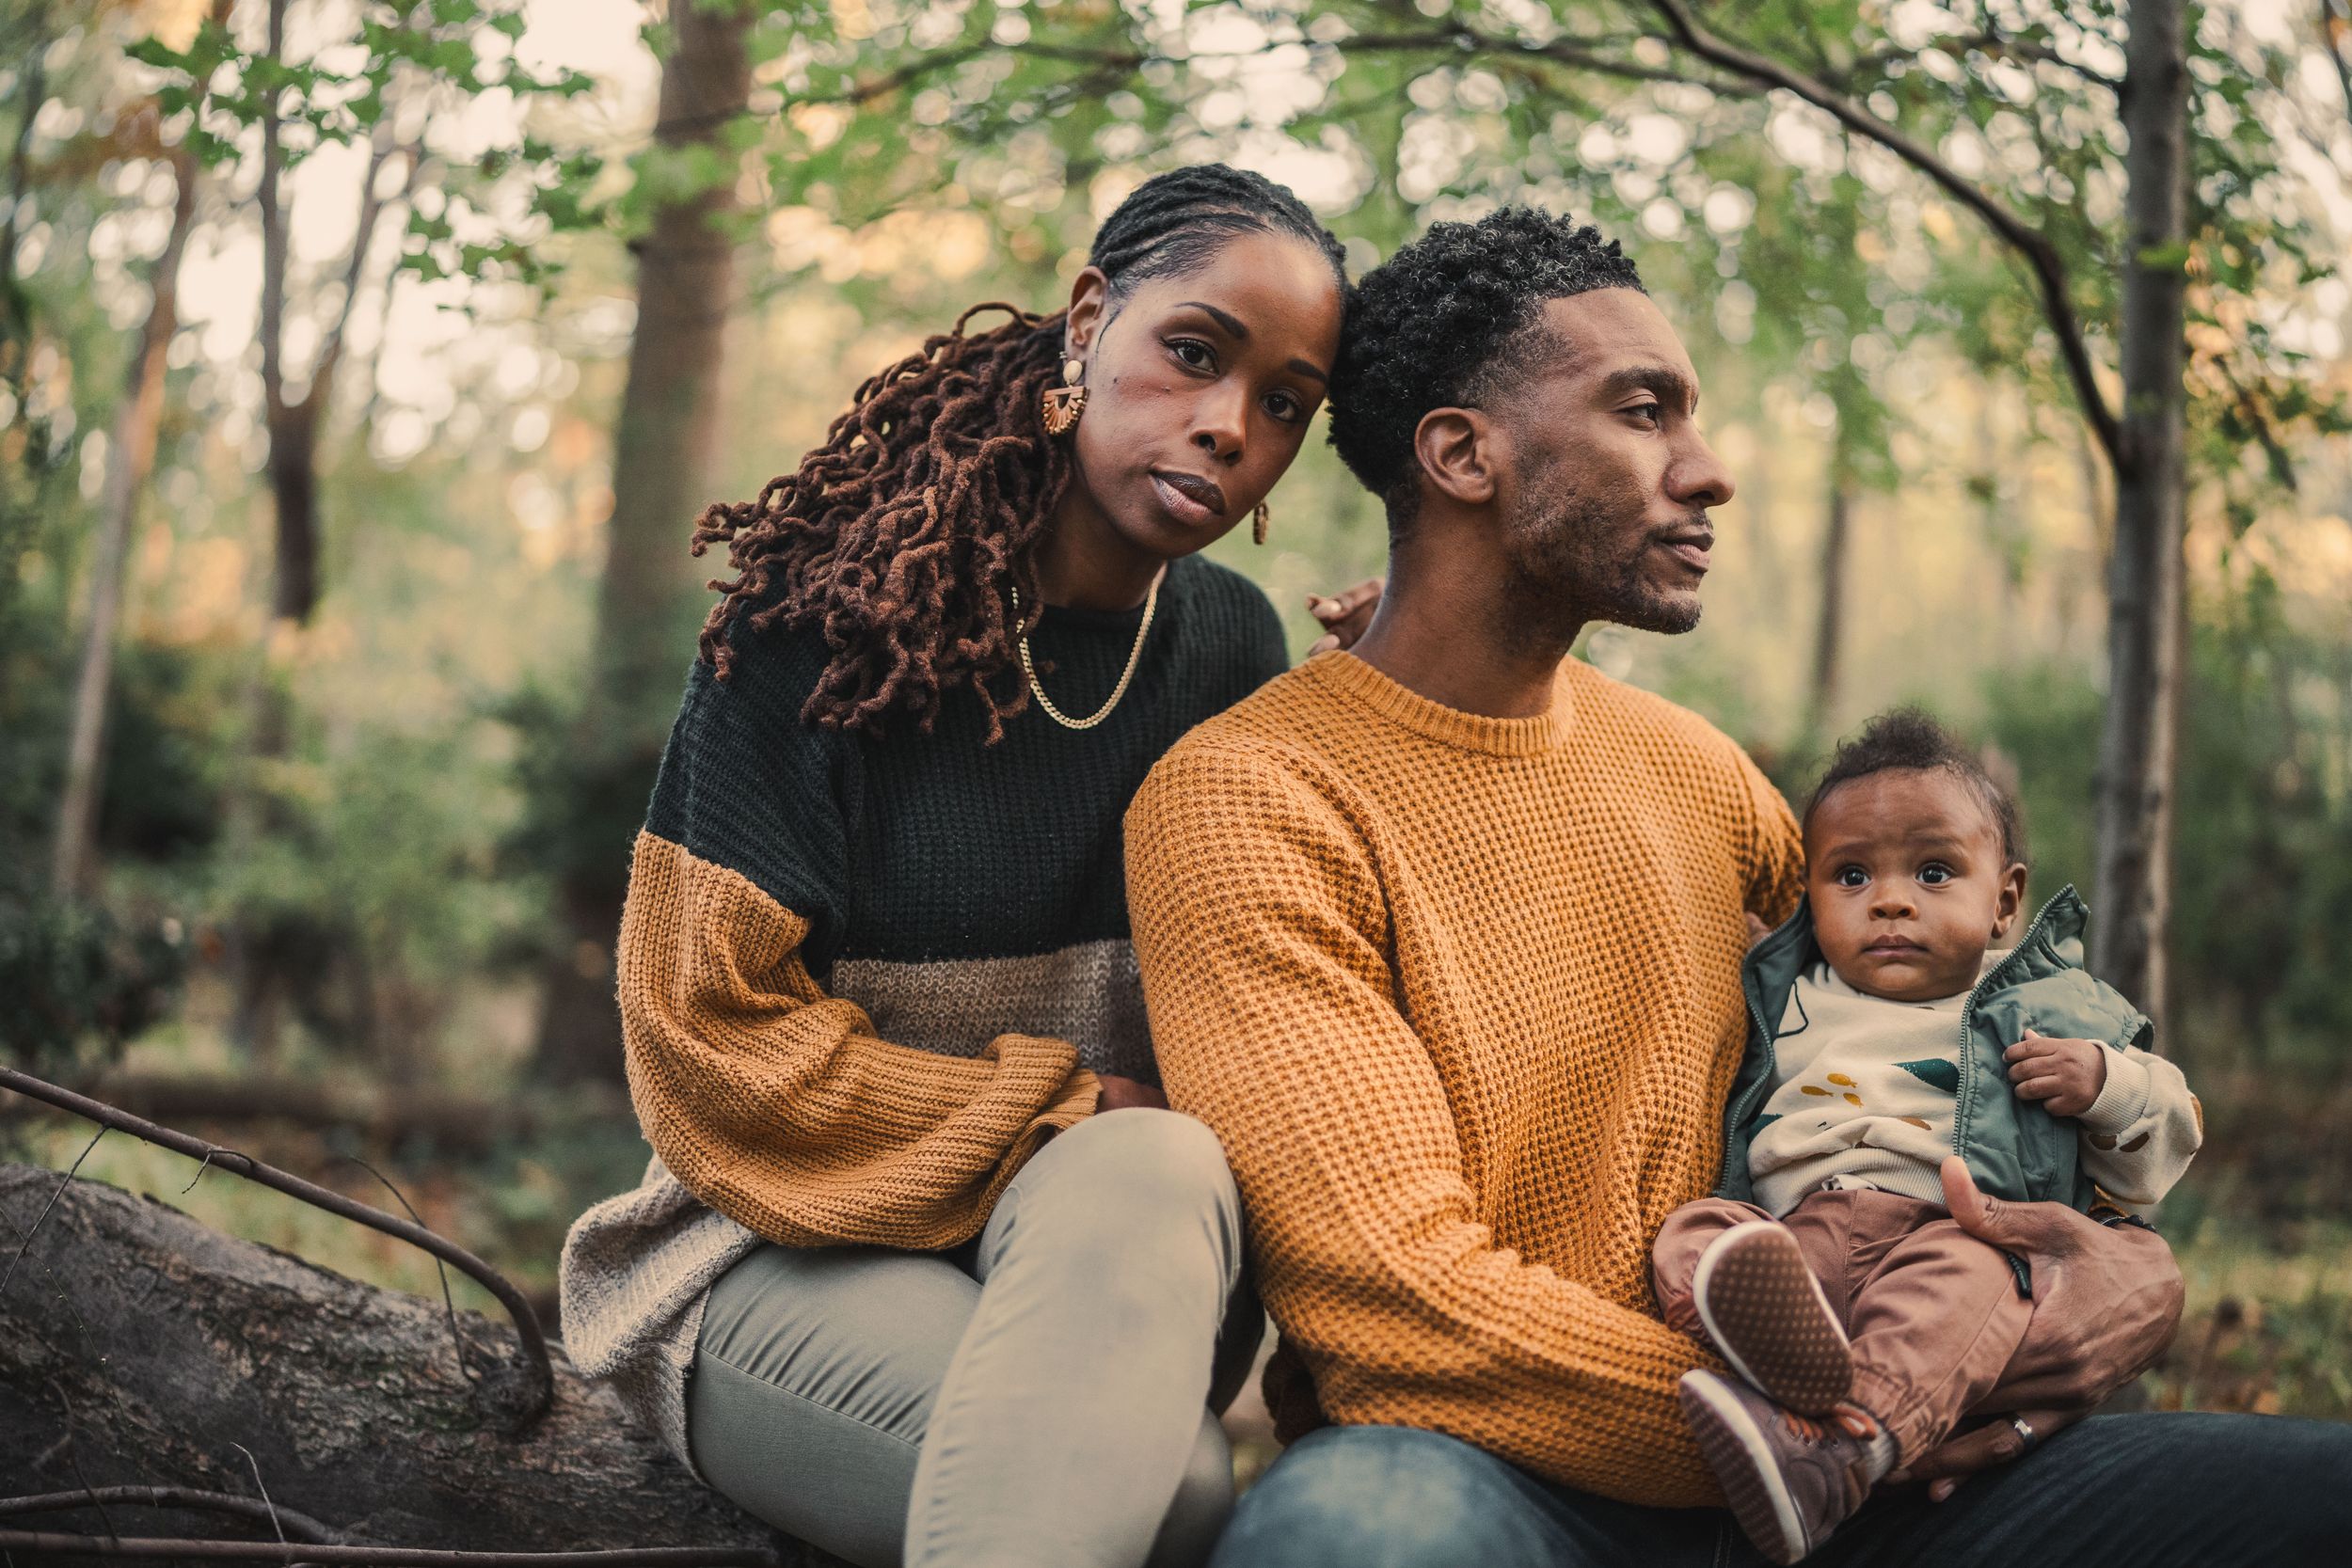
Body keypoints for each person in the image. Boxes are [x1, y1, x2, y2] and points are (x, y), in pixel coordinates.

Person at [1121, 206, 2352, 1568]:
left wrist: (2120, 1282)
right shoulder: (1252, 796)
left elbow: (1946, 1074)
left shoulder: (1700, 775)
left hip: (1863, 1452)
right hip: (1506, 1472)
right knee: (1348, 1537)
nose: (1707, 472)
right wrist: (1821, 1427)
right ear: (1463, 452)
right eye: (1645, 412)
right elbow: (1398, 1297)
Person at [557, 164, 1373, 1568]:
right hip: (772, 1247)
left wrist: (1387, 716)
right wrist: (1054, 1107)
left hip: (1091, 1258)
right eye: (1194, 352)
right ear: (1087, 320)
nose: (1231, 424)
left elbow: (1293, 996)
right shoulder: (818, 630)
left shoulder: (1236, 653)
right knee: (1175, 1498)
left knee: (1154, 1159)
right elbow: (703, 1039)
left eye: (1287, 402)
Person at [1654, 708, 2203, 1563]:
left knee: (1972, 1277)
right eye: (1851, 876)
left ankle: (1840, 1454)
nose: (1892, 899)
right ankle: (1761, 1337)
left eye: (1936, 870)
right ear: (1811, 894)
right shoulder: (1790, 992)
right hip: (1794, 1235)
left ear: (2005, 902)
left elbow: (2161, 1148)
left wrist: (2108, 1084)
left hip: (1940, 1231)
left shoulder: (2045, 1009)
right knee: (1697, 1231)